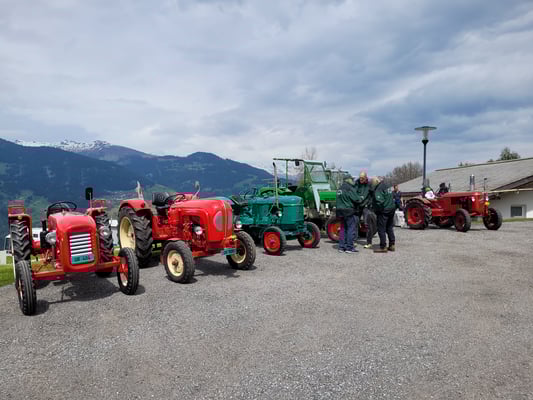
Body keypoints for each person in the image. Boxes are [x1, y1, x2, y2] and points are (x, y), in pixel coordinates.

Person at [335, 175, 363, 254]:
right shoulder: (349, 188)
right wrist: (361, 198)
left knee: (343, 229)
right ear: (347, 180)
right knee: (351, 229)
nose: (353, 181)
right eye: (351, 179)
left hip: (340, 211)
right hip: (348, 211)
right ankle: (349, 248)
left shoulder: (339, 189)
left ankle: (341, 247)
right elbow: (356, 199)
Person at [371, 177, 396, 253]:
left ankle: (383, 246)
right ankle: (392, 245)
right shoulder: (386, 185)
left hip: (384, 211)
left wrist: (376, 210)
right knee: (389, 227)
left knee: (381, 229)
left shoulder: (379, 188)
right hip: (391, 209)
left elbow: (379, 201)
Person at [353, 171, 374, 249]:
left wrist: (369, 203)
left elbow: (373, 194)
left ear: (365, 178)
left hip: (366, 206)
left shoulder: (369, 184)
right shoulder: (356, 183)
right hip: (358, 205)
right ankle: (354, 240)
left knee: (367, 223)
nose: (361, 180)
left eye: (362, 178)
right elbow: (353, 192)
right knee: (355, 222)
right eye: (360, 178)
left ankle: (369, 242)